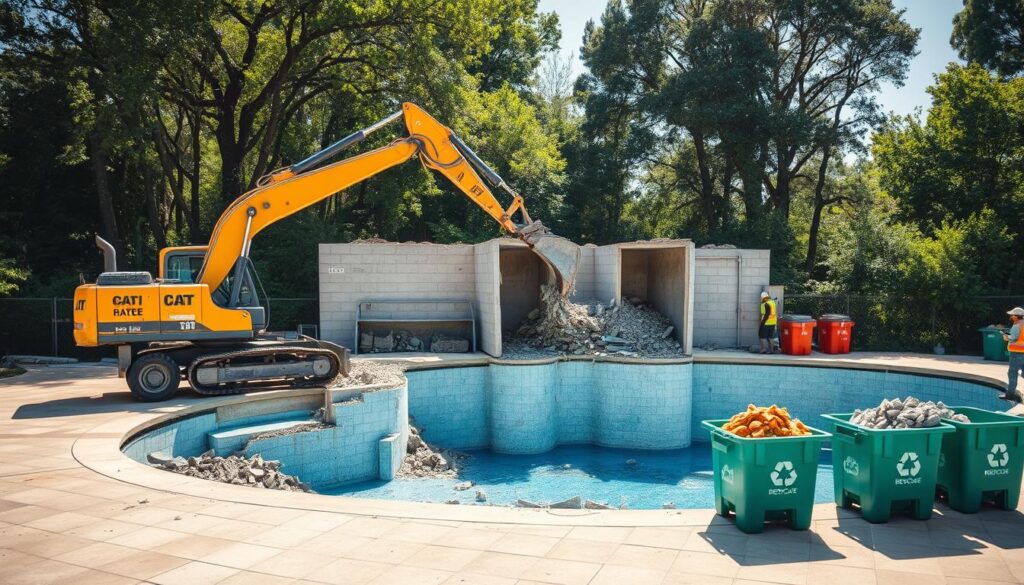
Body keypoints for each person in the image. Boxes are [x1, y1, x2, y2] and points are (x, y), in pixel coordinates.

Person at [1002, 307, 1024, 402]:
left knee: (1012, 373)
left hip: (1016, 353)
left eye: (1012, 315)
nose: (1011, 316)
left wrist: (1006, 337)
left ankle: (1010, 395)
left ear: (1016, 316)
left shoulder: (1016, 326)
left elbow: (1013, 338)